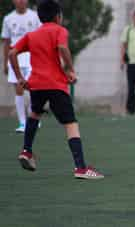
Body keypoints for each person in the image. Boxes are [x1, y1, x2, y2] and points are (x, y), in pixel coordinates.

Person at [9, 0, 103, 179]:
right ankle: (81, 168)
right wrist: (69, 69)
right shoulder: (60, 31)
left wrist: (20, 78)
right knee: (70, 123)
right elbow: (62, 48)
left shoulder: (32, 35)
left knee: (35, 114)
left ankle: (26, 151)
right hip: (56, 84)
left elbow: (12, 53)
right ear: (57, 16)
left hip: (36, 84)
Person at [1, 0, 41, 133]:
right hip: (15, 59)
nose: (21, 1)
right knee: (19, 89)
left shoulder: (35, 16)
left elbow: (41, 36)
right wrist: (5, 62)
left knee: (33, 88)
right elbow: (6, 42)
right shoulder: (8, 19)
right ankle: (23, 123)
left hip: (32, 59)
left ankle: (33, 118)